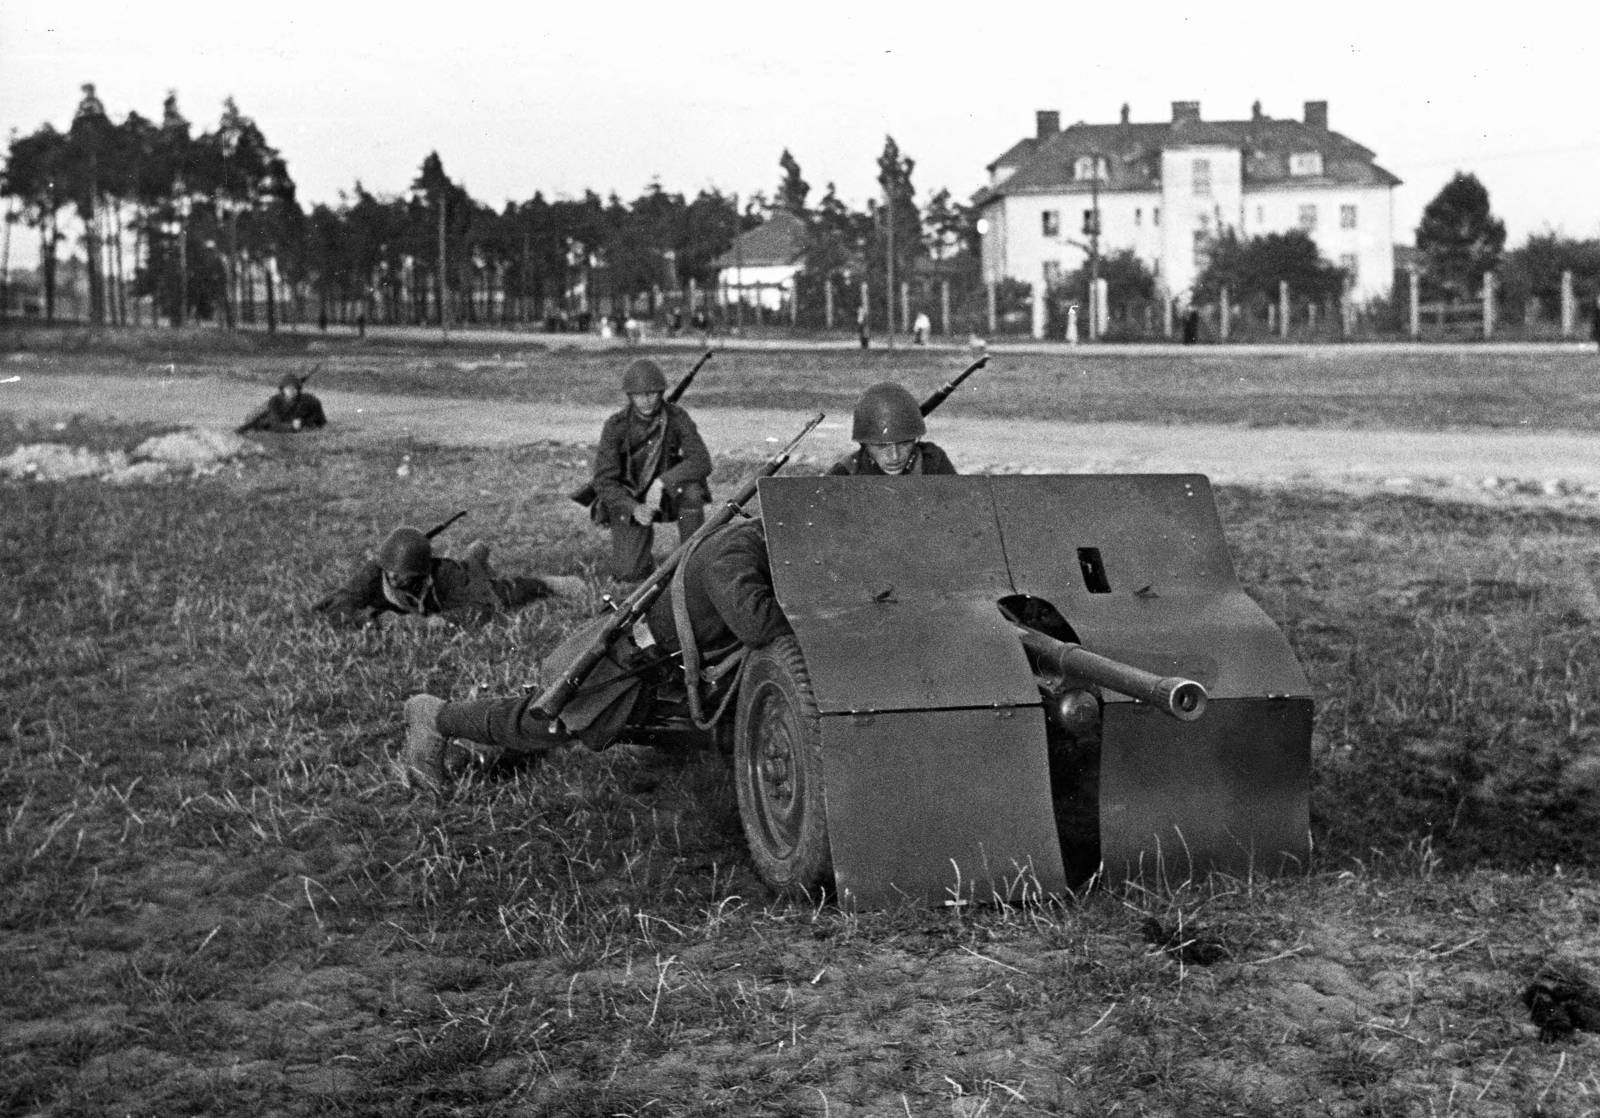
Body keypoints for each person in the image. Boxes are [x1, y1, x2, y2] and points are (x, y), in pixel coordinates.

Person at [399, 516, 788, 790]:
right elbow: (759, 625)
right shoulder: (735, 553)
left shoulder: (754, 539)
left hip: (663, 665)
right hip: (627, 663)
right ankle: (436, 716)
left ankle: (480, 744)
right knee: (544, 723)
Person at [314, 525, 585, 628]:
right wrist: (364, 620)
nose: (393, 578)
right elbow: (341, 601)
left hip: (465, 583)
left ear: (420, 572)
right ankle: (476, 554)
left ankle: (547, 582)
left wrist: (433, 623)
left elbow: (481, 609)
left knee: (505, 592)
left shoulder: (446, 575)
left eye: (403, 575)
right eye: (390, 572)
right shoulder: (375, 573)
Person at [590, 357, 713, 582]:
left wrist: (663, 482)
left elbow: (701, 460)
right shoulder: (616, 426)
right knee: (629, 573)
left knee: (692, 492)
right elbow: (604, 481)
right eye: (639, 395)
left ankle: (692, 560)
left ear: (661, 393)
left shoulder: (677, 418)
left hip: (668, 496)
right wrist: (633, 507)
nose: (646, 400)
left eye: (652, 393)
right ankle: (647, 563)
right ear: (630, 396)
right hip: (631, 498)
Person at [827, 381, 958, 477]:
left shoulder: (931, 462)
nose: (895, 456)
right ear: (864, 443)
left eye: (904, 443)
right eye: (882, 446)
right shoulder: (847, 472)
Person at [239, 373, 327, 434]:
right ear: (283, 390)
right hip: (266, 420)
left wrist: (305, 423)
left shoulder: (310, 401)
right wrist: (291, 426)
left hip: (288, 420)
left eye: (294, 388)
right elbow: (275, 424)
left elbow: (320, 420)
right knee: (258, 423)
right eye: (288, 388)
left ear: (298, 389)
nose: (291, 391)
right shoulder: (275, 401)